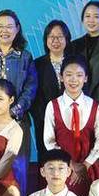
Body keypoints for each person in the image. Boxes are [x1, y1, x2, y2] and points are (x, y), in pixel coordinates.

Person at [0, 9, 37, 196]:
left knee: (17, 171)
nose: (4, 30)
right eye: (0, 26)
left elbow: (31, 88)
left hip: (18, 122)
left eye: (9, 26)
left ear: (17, 29)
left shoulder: (25, 57)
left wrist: (13, 111)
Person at [43, 55, 99, 196]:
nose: (74, 80)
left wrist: (85, 165)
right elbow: (49, 141)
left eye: (79, 75)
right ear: (61, 77)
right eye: (69, 75)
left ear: (86, 78)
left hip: (89, 168)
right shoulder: (52, 106)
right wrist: (71, 165)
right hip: (62, 170)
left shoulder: (94, 106)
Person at [33, 20, 70, 160]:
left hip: (71, 121)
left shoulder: (75, 62)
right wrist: (46, 117)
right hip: (44, 121)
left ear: (67, 39)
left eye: (60, 36)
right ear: (46, 39)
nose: (55, 41)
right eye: (51, 37)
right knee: (47, 159)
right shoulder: (37, 64)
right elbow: (34, 96)